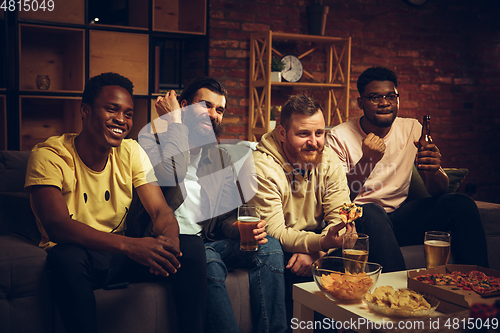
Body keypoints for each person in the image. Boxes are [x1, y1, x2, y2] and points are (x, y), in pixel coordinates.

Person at [24, 72, 206, 333]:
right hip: (81, 254)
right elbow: (57, 225)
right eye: (112, 110)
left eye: (128, 113)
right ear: (85, 111)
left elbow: (160, 210)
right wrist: (131, 246)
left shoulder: (130, 151)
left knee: (191, 246)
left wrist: (170, 243)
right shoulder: (48, 155)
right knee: (65, 257)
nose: (121, 119)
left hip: (119, 257)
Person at [138, 77, 287, 333]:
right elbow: (172, 176)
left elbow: (226, 218)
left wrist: (239, 228)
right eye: (205, 105)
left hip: (206, 241)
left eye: (219, 110)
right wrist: (175, 122)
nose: (214, 114)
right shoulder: (151, 146)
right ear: (183, 107)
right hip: (178, 244)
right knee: (206, 257)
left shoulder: (220, 158)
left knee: (270, 246)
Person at [327, 66, 488, 270]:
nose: (385, 103)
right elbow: (339, 196)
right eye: (375, 97)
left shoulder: (412, 128)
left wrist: (433, 171)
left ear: (398, 99)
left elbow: (438, 191)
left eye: (391, 96)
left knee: (461, 204)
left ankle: (482, 286)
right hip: (360, 219)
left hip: (399, 217)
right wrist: (368, 160)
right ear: (361, 102)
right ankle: (401, 295)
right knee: (372, 210)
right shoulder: (339, 137)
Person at [248, 93, 363, 327]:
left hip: (314, 244)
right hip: (279, 248)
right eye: (303, 134)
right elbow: (275, 233)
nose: (314, 142)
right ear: (282, 133)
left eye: (319, 133)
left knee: (366, 230)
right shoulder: (261, 166)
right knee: (288, 262)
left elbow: (339, 216)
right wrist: (322, 244)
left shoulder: (328, 159)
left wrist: (319, 251)